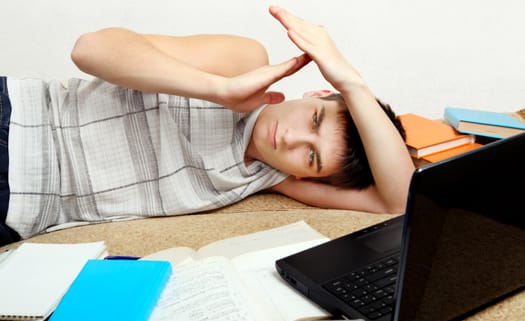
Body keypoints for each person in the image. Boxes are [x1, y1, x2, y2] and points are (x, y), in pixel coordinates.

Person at [0, 6, 414, 246]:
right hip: (17, 122)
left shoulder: (268, 176)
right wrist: (220, 90)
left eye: (310, 155)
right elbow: (90, 49)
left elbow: (398, 202)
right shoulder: (243, 60)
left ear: (308, 175)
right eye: (314, 120)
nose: (290, 138)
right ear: (316, 95)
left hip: (19, 214)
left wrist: (352, 82)